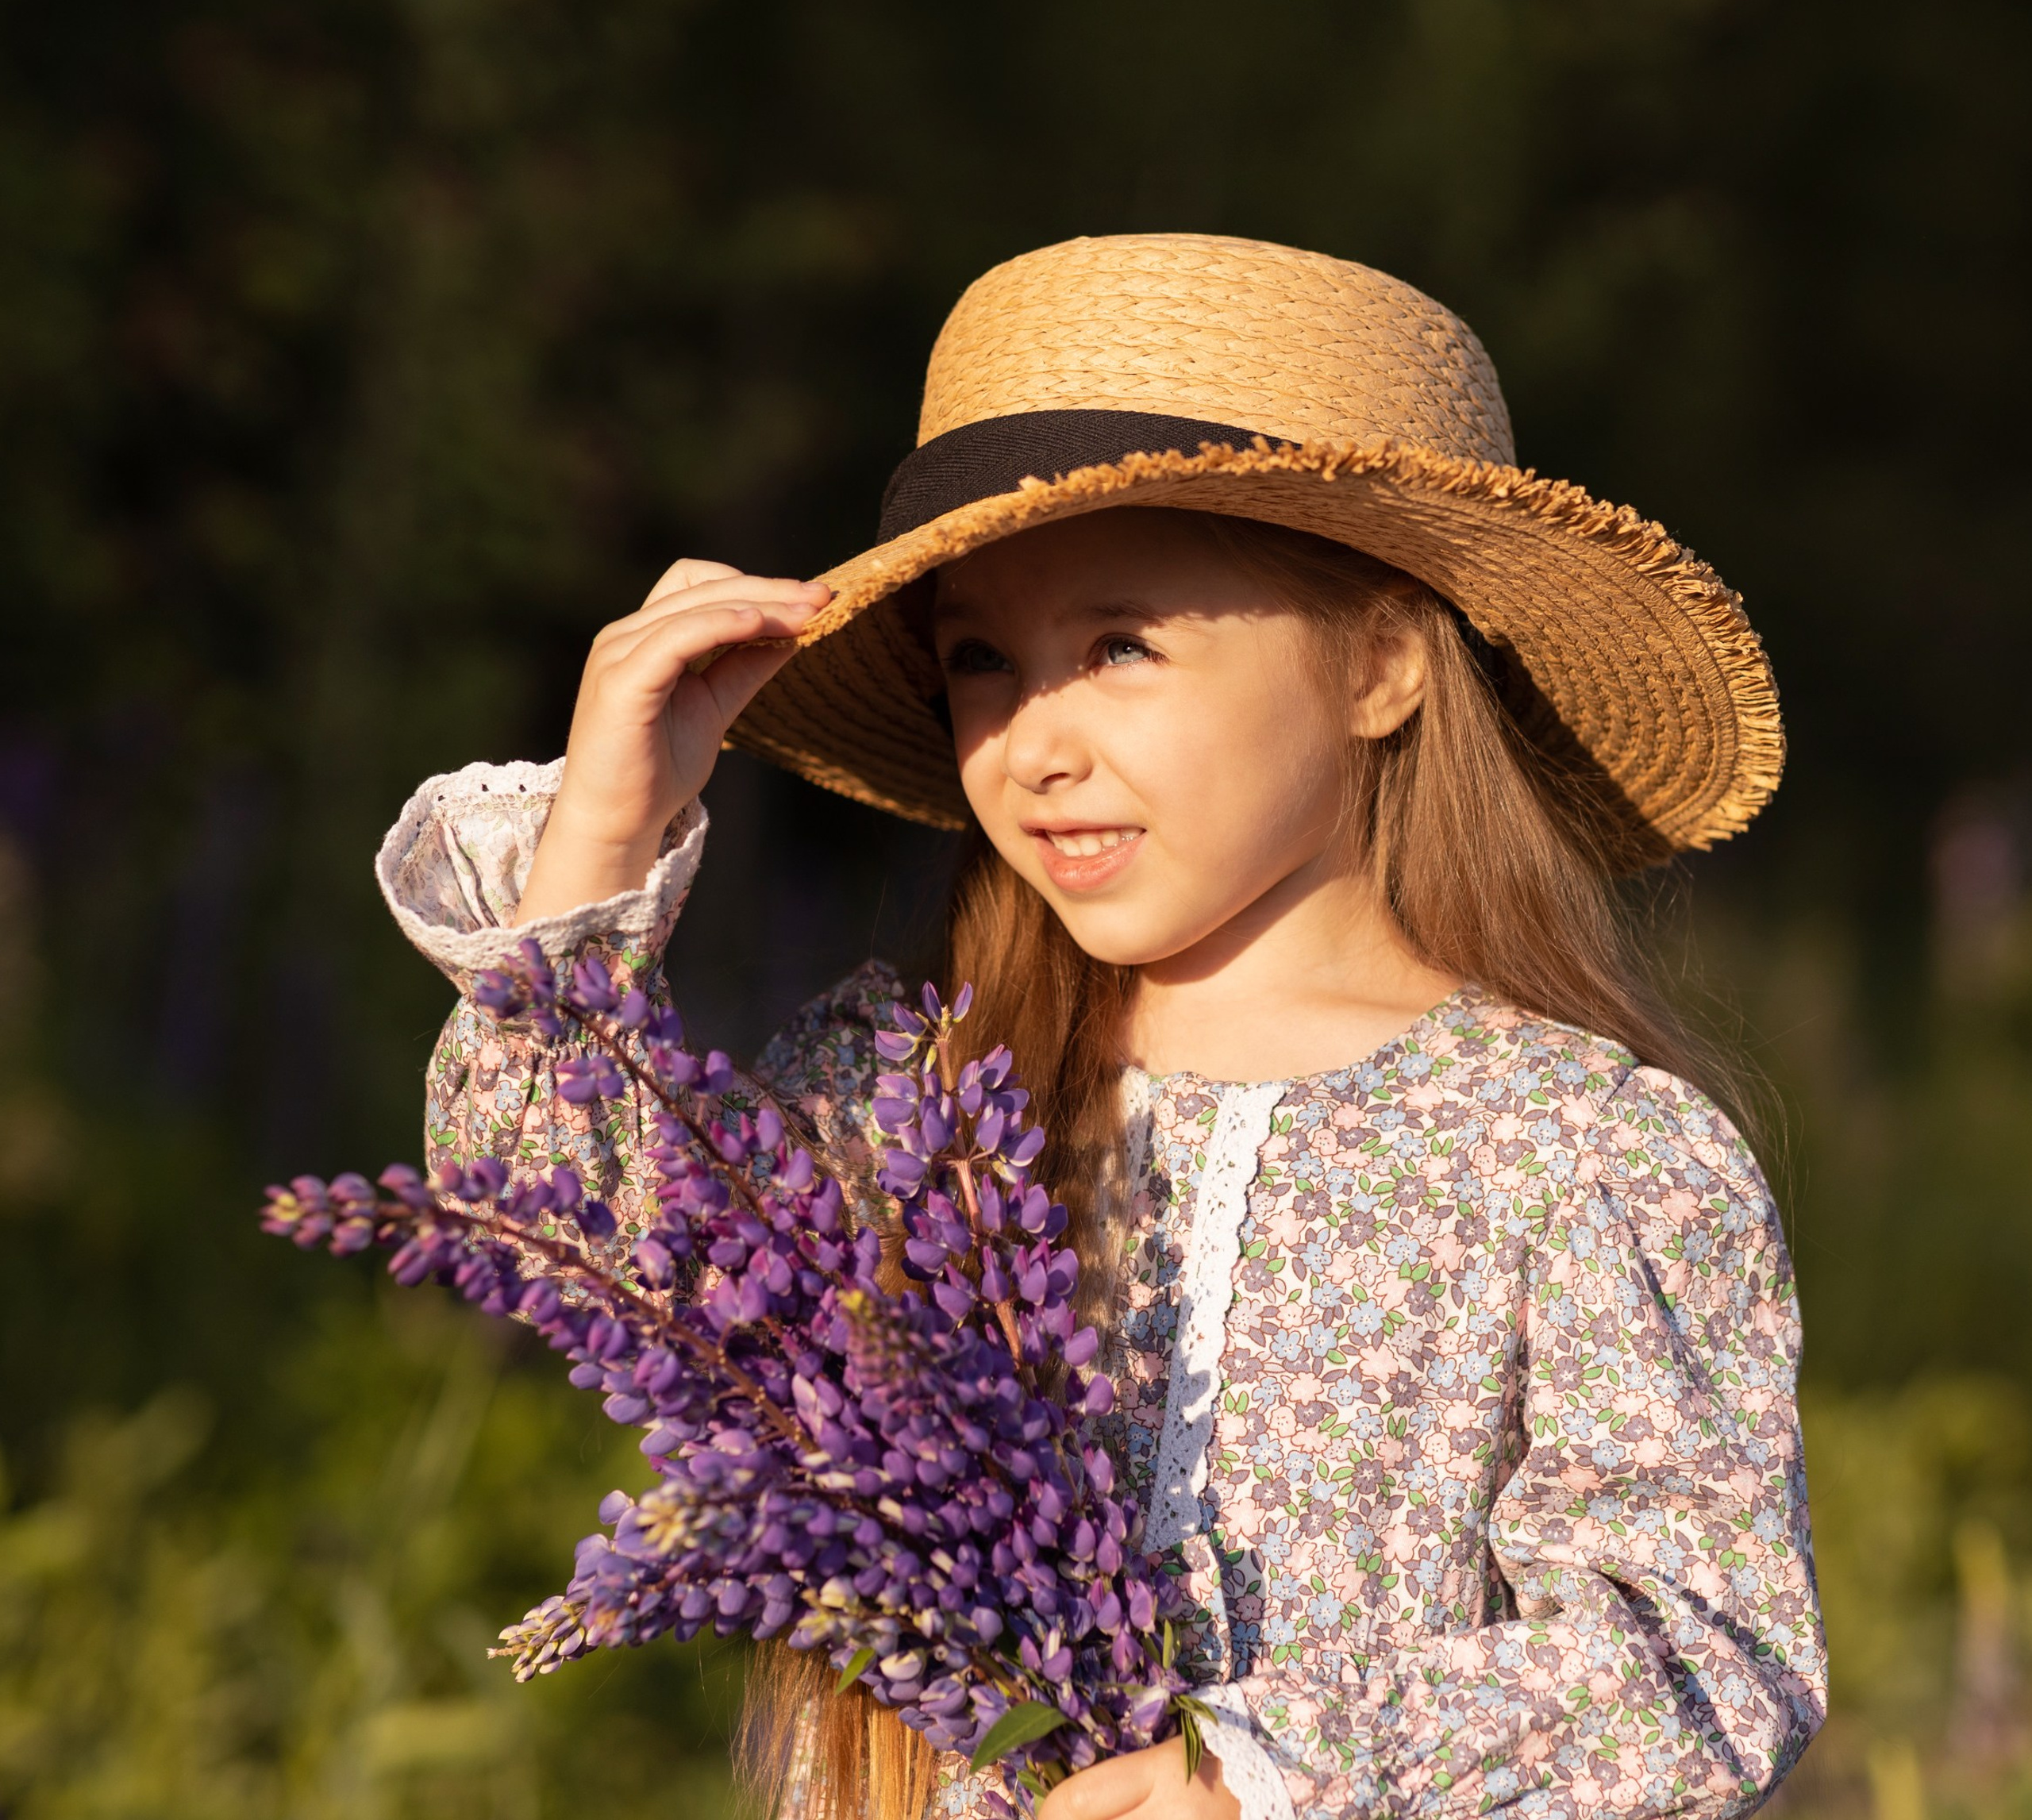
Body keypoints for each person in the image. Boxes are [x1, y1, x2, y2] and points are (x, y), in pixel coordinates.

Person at [376, 234, 1826, 1820]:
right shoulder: (910, 1092)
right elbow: (545, 1231)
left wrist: (1258, 1774)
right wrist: (602, 828)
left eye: (1117, 646)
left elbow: (1698, 1656)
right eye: (980, 663)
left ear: (1381, 662)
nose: (1033, 742)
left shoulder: (1579, 1150)